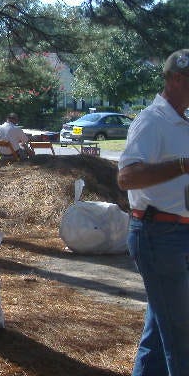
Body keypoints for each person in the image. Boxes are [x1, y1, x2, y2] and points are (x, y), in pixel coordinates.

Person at [117, 48, 189, 376]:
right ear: (177, 79)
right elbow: (127, 177)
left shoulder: (182, 123)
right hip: (158, 235)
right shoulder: (151, 120)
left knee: (161, 334)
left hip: (178, 233)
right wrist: (182, 165)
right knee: (182, 337)